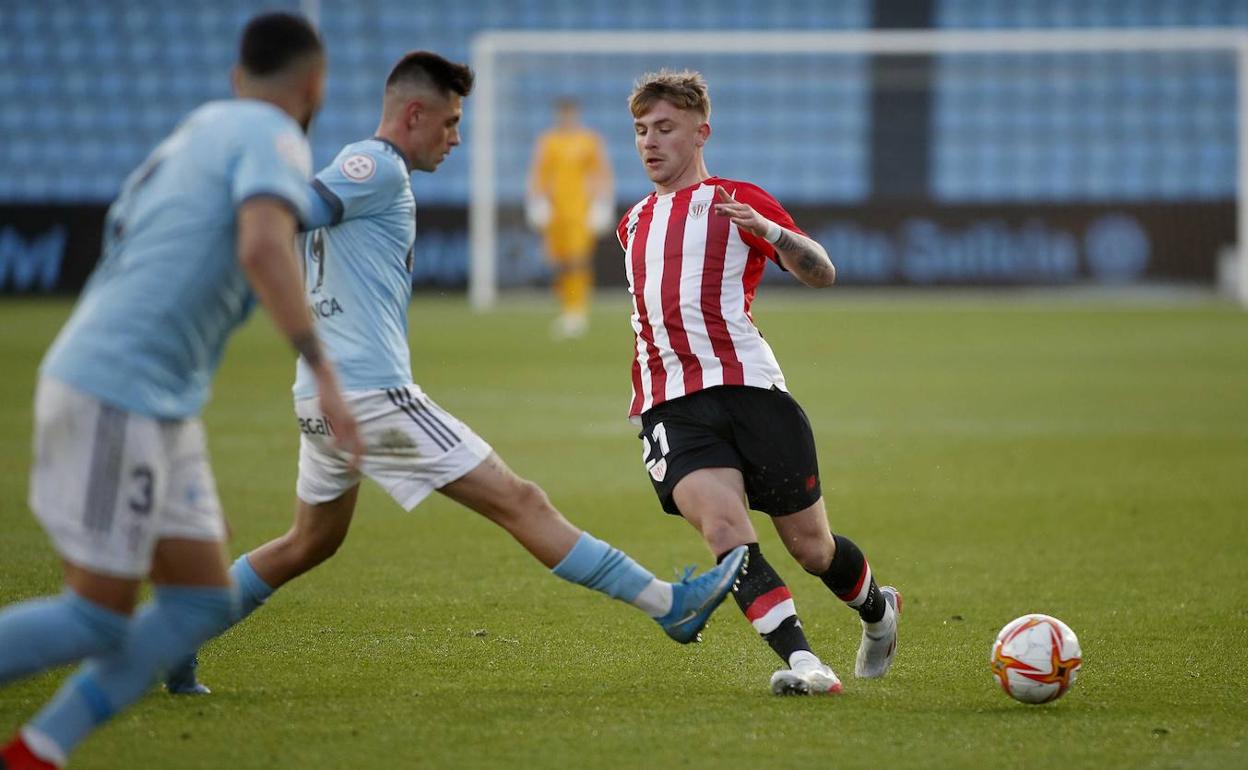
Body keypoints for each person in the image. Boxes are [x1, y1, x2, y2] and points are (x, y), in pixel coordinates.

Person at [164, 53, 747, 696]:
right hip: (370, 396)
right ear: (415, 114)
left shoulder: (359, 171)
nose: (457, 138)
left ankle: (176, 635)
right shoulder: (376, 167)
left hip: (321, 396)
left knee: (309, 542)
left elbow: (299, 215)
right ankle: (669, 605)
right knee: (521, 501)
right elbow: (289, 211)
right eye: (450, 122)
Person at [0, 13, 362, 768]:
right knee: (95, 617)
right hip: (117, 388)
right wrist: (324, 371)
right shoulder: (273, 133)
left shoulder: (199, 129)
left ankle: (36, 751)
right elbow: (262, 243)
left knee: (199, 600)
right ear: (315, 85)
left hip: (155, 398)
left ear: (236, 77)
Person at [617, 70, 901, 696]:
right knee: (724, 531)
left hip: (750, 390)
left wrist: (769, 231)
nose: (649, 142)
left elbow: (821, 273)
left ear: (701, 133)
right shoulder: (632, 223)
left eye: (664, 128)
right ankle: (806, 664)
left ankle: (879, 611)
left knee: (812, 548)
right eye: (640, 130)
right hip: (671, 406)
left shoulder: (737, 200)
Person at [525, 98, 614, 339]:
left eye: (570, 114)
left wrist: (602, 204)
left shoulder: (589, 141)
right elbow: (539, 174)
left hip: (580, 211)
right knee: (560, 262)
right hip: (556, 212)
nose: (566, 118)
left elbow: (601, 173)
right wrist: (537, 202)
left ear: (576, 115)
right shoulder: (548, 141)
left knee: (578, 259)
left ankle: (578, 311)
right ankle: (567, 308)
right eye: (562, 114)